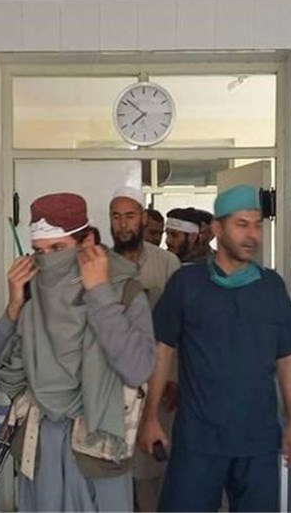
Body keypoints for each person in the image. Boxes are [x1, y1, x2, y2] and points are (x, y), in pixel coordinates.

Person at [139, 184, 291, 512]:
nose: (252, 235)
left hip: (257, 439)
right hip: (198, 439)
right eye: (242, 224)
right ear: (217, 229)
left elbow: (287, 357)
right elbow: (163, 350)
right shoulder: (187, 284)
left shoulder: (270, 287)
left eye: (257, 225)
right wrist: (151, 418)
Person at [0, 192, 156, 512]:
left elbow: (137, 368)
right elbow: (7, 375)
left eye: (58, 249)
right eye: (39, 251)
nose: (48, 261)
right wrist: (14, 307)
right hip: (41, 446)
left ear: (87, 243)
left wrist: (99, 293)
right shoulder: (33, 294)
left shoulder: (123, 290)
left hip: (98, 447)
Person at [108, 186, 181, 512]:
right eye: (116, 217)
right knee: (115, 467)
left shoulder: (167, 263)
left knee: (154, 465)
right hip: (113, 385)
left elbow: (180, 328)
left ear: (142, 219)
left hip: (159, 383)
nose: (123, 224)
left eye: (129, 216)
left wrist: (174, 378)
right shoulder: (100, 265)